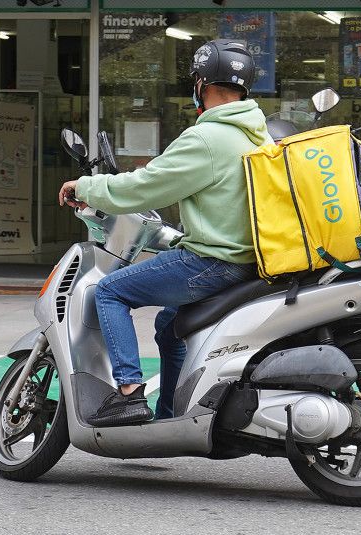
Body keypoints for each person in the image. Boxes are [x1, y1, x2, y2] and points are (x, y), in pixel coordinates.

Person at [57, 40, 270, 427]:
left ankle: (128, 394)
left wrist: (86, 187)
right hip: (248, 261)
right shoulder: (257, 135)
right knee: (169, 327)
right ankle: (169, 416)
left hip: (212, 261)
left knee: (109, 291)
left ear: (203, 83)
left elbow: (143, 187)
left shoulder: (207, 138)